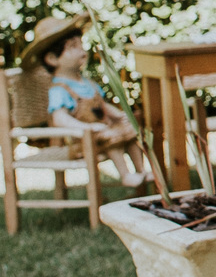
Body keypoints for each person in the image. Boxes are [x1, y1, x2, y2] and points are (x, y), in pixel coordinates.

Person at [25, 13, 146, 185]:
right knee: (112, 137)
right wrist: (85, 128)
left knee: (130, 129)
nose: (81, 50)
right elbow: (60, 118)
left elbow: (102, 106)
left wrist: (119, 115)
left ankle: (141, 170)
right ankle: (125, 175)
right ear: (52, 58)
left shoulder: (86, 83)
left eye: (80, 45)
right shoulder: (59, 89)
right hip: (82, 142)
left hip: (101, 132)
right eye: (73, 46)